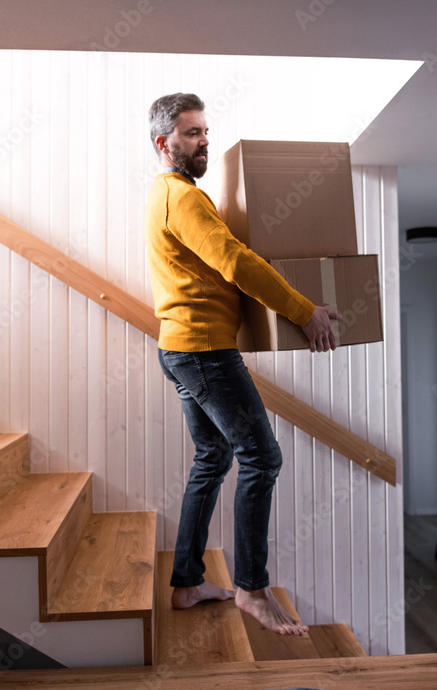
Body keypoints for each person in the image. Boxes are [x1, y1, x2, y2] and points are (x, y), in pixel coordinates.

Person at [145, 93, 341, 636]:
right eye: (191, 133)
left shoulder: (166, 196)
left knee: (213, 457)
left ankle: (186, 582)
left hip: (181, 348)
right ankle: (251, 589)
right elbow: (234, 260)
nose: (203, 140)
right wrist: (305, 311)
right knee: (262, 458)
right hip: (204, 351)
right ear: (164, 143)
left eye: (205, 131)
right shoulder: (181, 198)